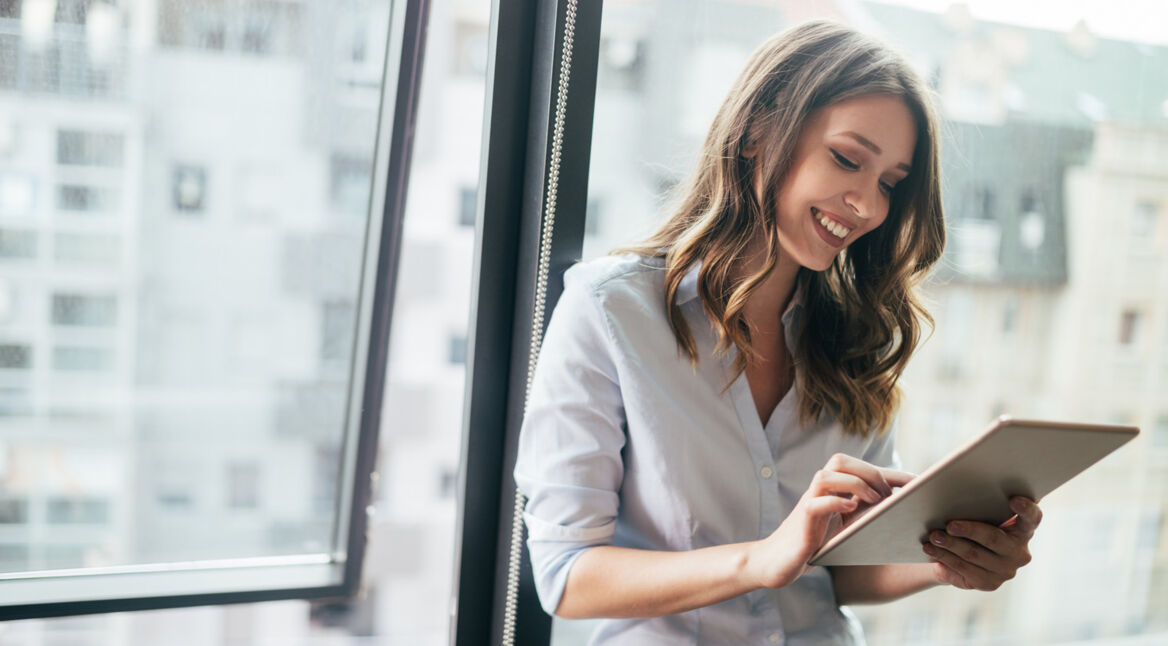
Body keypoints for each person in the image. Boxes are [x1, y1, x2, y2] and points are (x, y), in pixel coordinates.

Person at [514, 20, 1042, 644]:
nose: (870, 207)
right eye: (848, 159)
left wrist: (944, 560)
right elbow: (567, 576)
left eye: (890, 185)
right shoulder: (610, 311)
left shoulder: (857, 337)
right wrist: (762, 558)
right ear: (757, 132)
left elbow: (840, 571)